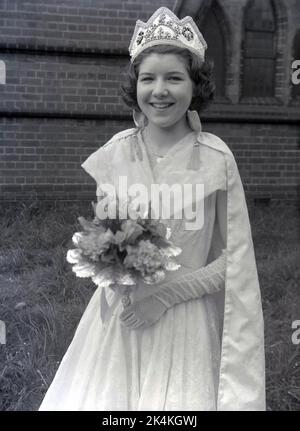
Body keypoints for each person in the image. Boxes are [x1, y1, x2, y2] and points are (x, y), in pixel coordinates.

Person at [39, 7, 265, 411]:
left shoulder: (215, 159)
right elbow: (105, 237)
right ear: (136, 86)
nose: (160, 90)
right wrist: (117, 279)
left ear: (195, 86)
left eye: (174, 78)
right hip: (120, 321)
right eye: (149, 78)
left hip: (185, 320)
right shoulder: (117, 152)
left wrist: (166, 295)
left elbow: (235, 258)